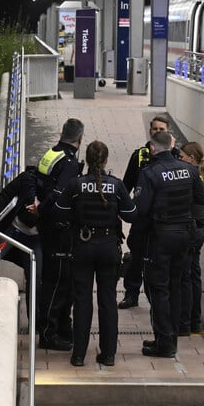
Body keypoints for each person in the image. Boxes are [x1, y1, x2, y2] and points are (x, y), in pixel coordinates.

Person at [54, 140, 136, 367]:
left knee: (82, 300)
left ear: (87, 160)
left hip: (82, 246)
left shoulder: (75, 184)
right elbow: (131, 215)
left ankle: (78, 354)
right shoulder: (116, 185)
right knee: (108, 300)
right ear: (106, 160)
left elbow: (59, 212)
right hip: (109, 247)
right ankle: (108, 354)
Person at [132, 131, 204, 358]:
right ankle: (172, 337)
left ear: (153, 149)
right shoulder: (190, 170)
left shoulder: (150, 172)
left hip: (161, 238)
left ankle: (164, 342)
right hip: (184, 234)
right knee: (176, 286)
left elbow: (141, 210)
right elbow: (203, 199)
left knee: (159, 290)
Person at [118, 115, 179, 309]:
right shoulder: (139, 155)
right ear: (150, 131)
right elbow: (126, 185)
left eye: (162, 130)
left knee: (161, 260)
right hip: (142, 218)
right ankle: (131, 293)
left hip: (164, 219)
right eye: (155, 129)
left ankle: (160, 297)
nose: (158, 133)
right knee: (136, 255)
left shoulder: (176, 155)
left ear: (168, 132)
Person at [35, 118, 85, 350]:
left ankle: (62, 328)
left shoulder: (50, 153)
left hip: (46, 226)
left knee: (55, 281)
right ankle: (49, 333)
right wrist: (46, 210)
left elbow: (40, 184)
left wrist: (39, 209)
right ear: (80, 139)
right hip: (58, 229)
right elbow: (58, 194)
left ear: (62, 131)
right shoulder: (69, 163)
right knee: (57, 283)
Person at [178, 142, 204, 336]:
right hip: (197, 231)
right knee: (194, 275)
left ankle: (187, 320)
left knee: (186, 276)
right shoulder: (202, 176)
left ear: (191, 158)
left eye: (182, 157)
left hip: (191, 231)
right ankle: (193, 319)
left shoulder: (193, 178)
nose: (179, 160)